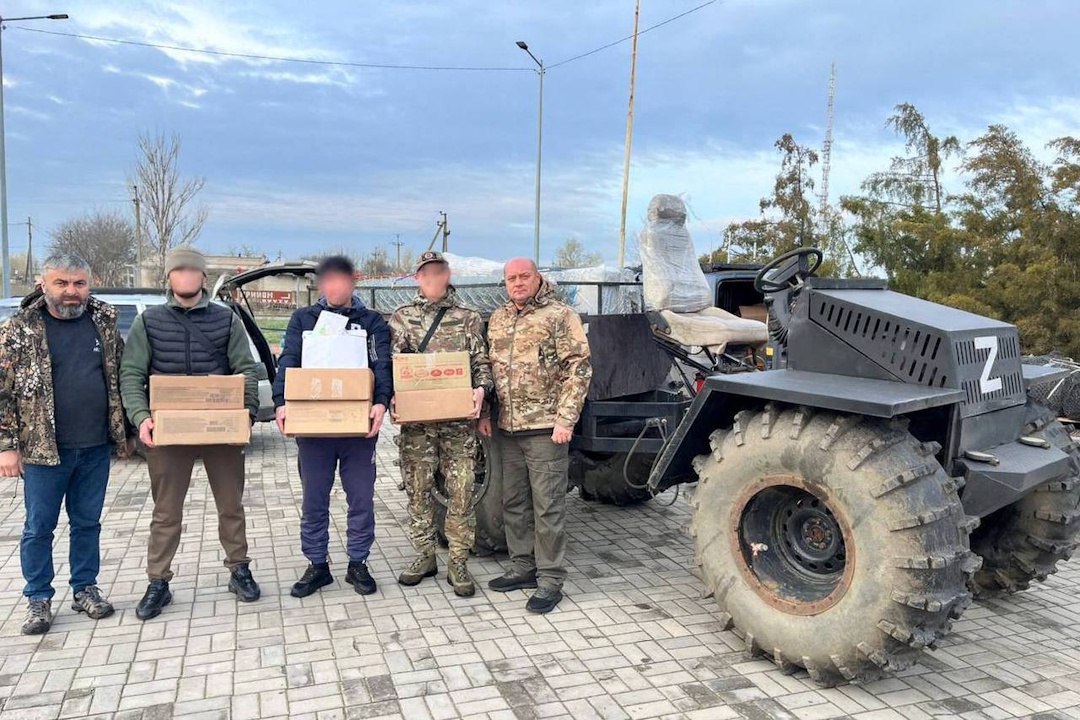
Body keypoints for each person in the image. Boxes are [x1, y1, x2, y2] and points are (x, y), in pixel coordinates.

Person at [120, 247, 262, 620]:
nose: (185, 277)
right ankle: (158, 581)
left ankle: (239, 567)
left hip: (219, 428)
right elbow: (131, 374)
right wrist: (140, 417)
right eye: (178, 271)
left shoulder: (226, 319)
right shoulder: (148, 322)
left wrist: (245, 413)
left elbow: (245, 368)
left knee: (231, 504)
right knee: (166, 512)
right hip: (168, 429)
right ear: (169, 277)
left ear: (202, 276)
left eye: (192, 271)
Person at [0, 254, 131, 634]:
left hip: (94, 446)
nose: (71, 292)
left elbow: (118, 376)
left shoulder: (104, 322)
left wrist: (126, 432)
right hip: (43, 450)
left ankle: (85, 588)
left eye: (79, 284)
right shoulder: (20, 329)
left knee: (87, 523)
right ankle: (38, 598)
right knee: (39, 527)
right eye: (62, 283)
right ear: (44, 285)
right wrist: (6, 446)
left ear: (89, 286)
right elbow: (2, 393)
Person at [273, 255, 392, 598]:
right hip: (314, 430)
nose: (335, 286)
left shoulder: (371, 322)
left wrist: (381, 402)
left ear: (354, 280)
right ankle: (317, 564)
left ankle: (358, 562)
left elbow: (381, 364)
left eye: (342, 279)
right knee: (314, 499)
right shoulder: (303, 320)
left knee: (361, 499)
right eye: (328, 280)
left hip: (358, 431)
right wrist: (281, 403)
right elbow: (288, 362)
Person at [480, 257, 592, 614]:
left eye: (523, 276)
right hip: (507, 427)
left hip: (546, 428)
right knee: (513, 503)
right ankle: (523, 566)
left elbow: (579, 368)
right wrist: (485, 413)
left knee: (548, 507)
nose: (517, 283)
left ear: (537, 277)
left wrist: (566, 419)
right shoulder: (498, 318)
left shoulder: (560, 315)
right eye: (511, 278)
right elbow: (487, 368)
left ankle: (550, 579)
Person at [389, 251, 492, 597]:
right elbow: (394, 365)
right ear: (418, 278)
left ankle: (458, 561)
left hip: (457, 423)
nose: (433, 278)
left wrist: (481, 389)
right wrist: (391, 398)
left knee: (461, 490)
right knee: (417, 489)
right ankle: (424, 554)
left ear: (447, 275)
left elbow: (481, 360)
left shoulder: (467, 317)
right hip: (418, 424)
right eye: (426, 273)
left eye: (439, 272)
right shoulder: (403, 318)